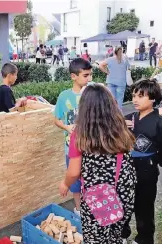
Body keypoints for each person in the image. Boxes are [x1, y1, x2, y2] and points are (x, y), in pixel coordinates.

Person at [59, 84, 136, 243]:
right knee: (115, 234)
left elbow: (74, 171)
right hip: (124, 189)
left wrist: (65, 184)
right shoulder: (120, 128)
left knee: (96, 238)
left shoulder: (80, 134)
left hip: (97, 196)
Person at [123, 79, 162, 244]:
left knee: (144, 206)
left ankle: (143, 239)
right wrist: (119, 125)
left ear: (153, 98)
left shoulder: (160, 123)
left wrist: (155, 161)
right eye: (133, 96)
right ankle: (122, 234)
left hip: (147, 170)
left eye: (141, 96)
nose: (135, 100)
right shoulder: (128, 118)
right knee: (123, 201)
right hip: (125, 167)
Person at [54, 58, 93, 216]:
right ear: (73, 76)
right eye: (85, 75)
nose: (89, 79)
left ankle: (92, 208)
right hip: (71, 147)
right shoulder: (64, 97)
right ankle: (79, 209)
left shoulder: (92, 94)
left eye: (90, 75)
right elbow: (56, 119)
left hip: (91, 148)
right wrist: (66, 127)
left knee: (90, 180)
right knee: (75, 182)